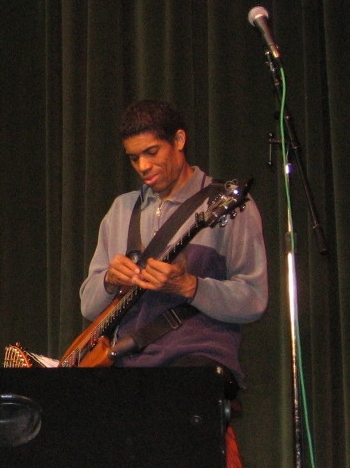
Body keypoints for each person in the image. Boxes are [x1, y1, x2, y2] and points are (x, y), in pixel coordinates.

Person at [79, 99, 268, 392]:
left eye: (152, 152)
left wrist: (190, 287)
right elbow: (89, 307)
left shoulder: (228, 205)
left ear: (179, 140)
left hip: (196, 360)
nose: (143, 166)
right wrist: (108, 280)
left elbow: (253, 300)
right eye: (133, 158)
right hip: (127, 363)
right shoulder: (121, 209)